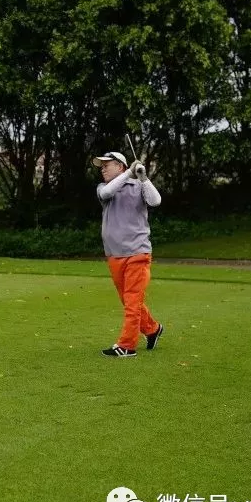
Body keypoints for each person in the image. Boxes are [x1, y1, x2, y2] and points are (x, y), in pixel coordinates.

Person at [92, 150, 164, 357]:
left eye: (107, 165)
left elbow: (156, 201)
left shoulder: (139, 185)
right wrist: (128, 173)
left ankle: (127, 345)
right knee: (128, 300)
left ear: (120, 165)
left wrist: (143, 177)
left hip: (138, 252)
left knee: (132, 300)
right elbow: (106, 193)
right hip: (114, 254)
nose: (103, 169)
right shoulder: (104, 188)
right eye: (102, 166)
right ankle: (152, 329)